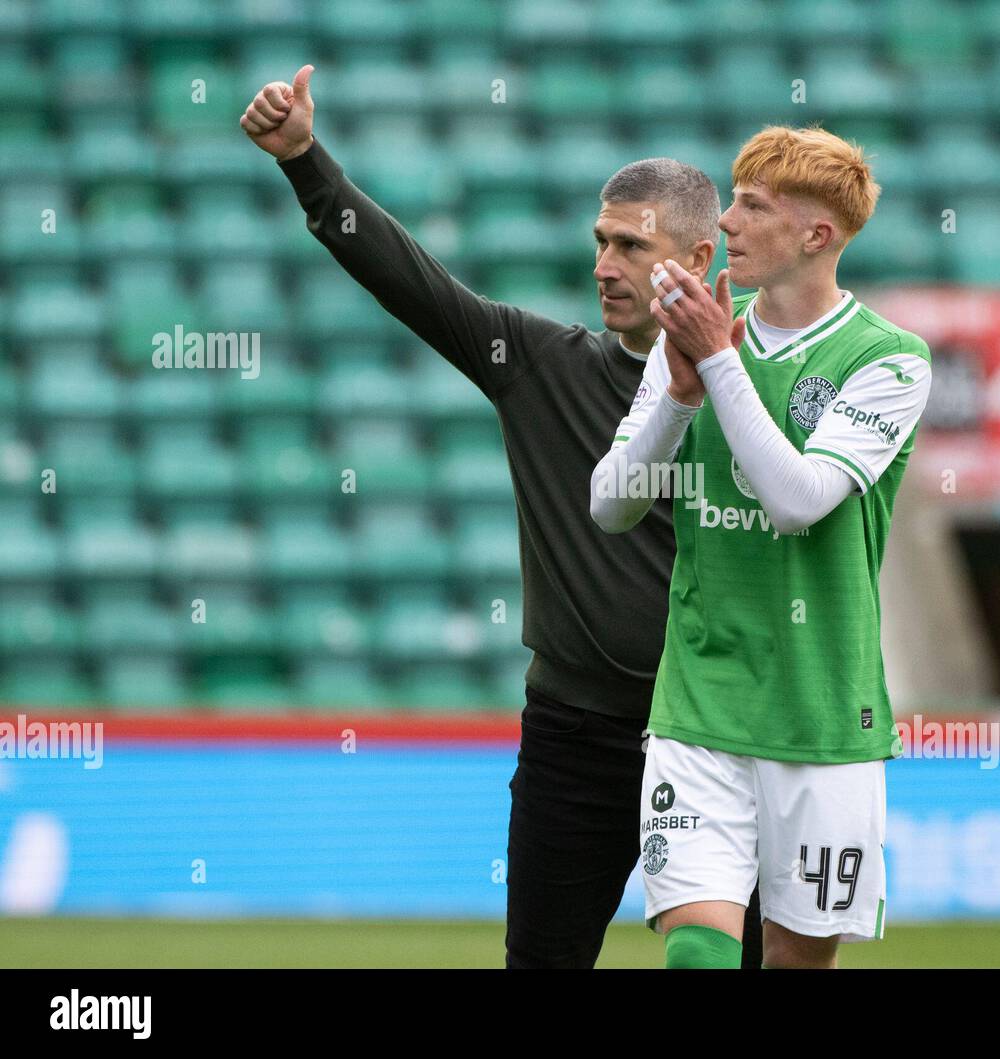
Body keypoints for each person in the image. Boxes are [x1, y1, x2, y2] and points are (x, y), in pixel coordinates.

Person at [239, 66, 764, 967]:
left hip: (719, 739)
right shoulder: (538, 362)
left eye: (632, 248)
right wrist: (304, 163)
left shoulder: (760, 389)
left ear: (700, 259)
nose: (604, 266)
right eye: (600, 243)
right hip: (575, 739)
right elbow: (412, 281)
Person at [590, 126, 932, 968]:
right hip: (700, 702)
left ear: (817, 235)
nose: (728, 221)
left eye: (752, 205)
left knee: (795, 959)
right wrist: (676, 394)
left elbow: (797, 501)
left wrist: (718, 364)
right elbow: (610, 505)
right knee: (698, 955)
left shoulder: (889, 359)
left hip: (822, 713)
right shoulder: (695, 336)